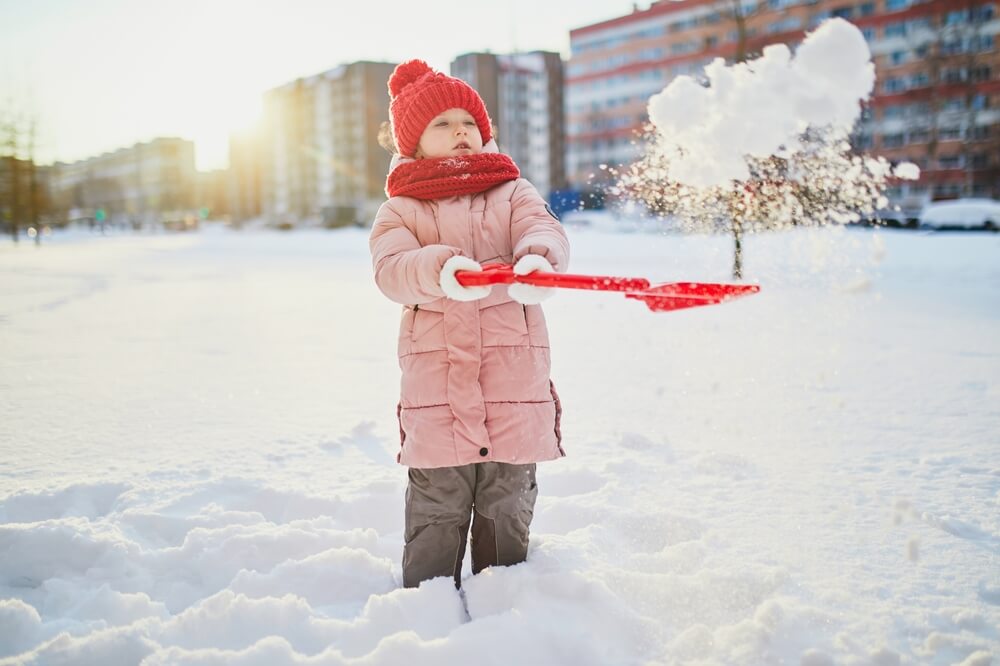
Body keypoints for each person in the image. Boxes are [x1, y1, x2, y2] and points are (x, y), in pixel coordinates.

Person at [369, 60, 570, 589]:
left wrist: (537, 262)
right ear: (412, 143)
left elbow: (542, 229)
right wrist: (439, 270)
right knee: (437, 508)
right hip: (438, 396)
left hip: (513, 389)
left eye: (469, 121)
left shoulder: (513, 192)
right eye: (443, 124)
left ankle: (504, 604)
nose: (461, 131)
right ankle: (427, 608)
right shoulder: (400, 211)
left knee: (508, 503)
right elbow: (392, 271)